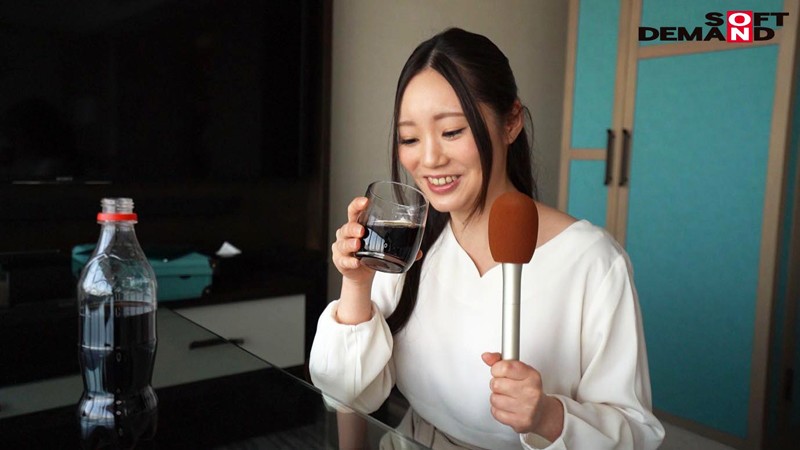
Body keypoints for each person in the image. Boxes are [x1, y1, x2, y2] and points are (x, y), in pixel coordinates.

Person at [310, 27, 665, 450]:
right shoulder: (409, 246)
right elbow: (347, 391)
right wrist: (356, 283)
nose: (429, 159)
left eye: (452, 131)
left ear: (510, 122)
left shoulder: (593, 261)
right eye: (409, 138)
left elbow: (637, 432)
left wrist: (549, 416)